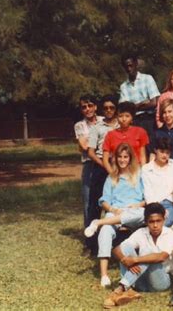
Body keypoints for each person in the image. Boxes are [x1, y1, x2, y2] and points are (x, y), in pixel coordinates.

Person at [85, 143, 145, 287]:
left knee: (143, 214)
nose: (123, 160)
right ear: (116, 159)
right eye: (120, 157)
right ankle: (104, 275)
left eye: (126, 157)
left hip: (135, 212)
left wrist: (138, 205)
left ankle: (98, 222)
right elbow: (104, 200)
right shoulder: (111, 177)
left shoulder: (139, 174)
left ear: (130, 158)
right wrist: (112, 208)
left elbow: (147, 198)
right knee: (106, 230)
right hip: (115, 212)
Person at [103, 203, 173, 309]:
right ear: (146, 222)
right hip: (140, 283)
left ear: (164, 220)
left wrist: (135, 260)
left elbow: (162, 256)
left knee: (148, 252)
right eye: (151, 222)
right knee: (126, 246)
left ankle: (121, 288)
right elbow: (116, 250)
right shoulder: (142, 232)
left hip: (160, 282)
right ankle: (130, 291)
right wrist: (126, 262)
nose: (155, 225)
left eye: (158, 221)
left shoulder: (170, 234)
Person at [86, 95, 119, 255]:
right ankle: (92, 245)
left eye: (112, 107)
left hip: (119, 165)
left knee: (117, 203)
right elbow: (91, 152)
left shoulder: (121, 124)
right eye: (105, 108)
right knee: (95, 205)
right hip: (100, 166)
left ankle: (115, 243)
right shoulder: (97, 127)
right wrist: (104, 165)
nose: (108, 111)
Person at [74, 95, 103, 242]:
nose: (87, 109)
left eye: (90, 105)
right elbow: (84, 146)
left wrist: (89, 143)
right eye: (84, 107)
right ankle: (90, 240)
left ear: (95, 107)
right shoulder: (80, 125)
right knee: (88, 203)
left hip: (106, 165)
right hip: (90, 166)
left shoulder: (105, 120)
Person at [141, 137, 173, 227]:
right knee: (154, 225)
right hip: (153, 205)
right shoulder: (147, 169)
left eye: (167, 153)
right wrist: (158, 209)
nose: (165, 155)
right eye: (162, 152)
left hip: (171, 204)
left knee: (162, 225)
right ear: (156, 150)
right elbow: (148, 193)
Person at [119, 54, 160, 140]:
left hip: (148, 120)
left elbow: (153, 103)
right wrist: (142, 103)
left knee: (150, 148)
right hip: (134, 121)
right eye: (126, 67)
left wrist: (133, 107)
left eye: (131, 65)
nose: (129, 69)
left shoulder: (147, 79)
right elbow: (125, 109)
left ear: (136, 64)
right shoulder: (123, 86)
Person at [102, 102, 149, 174]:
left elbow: (143, 157)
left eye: (127, 116)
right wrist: (112, 174)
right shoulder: (110, 135)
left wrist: (143, 174)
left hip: (136, 171)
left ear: (132, 117)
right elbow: (105, 160)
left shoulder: (140, 132)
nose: (124, 119)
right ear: (117, 117)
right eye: (120, 116)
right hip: (117, 171)